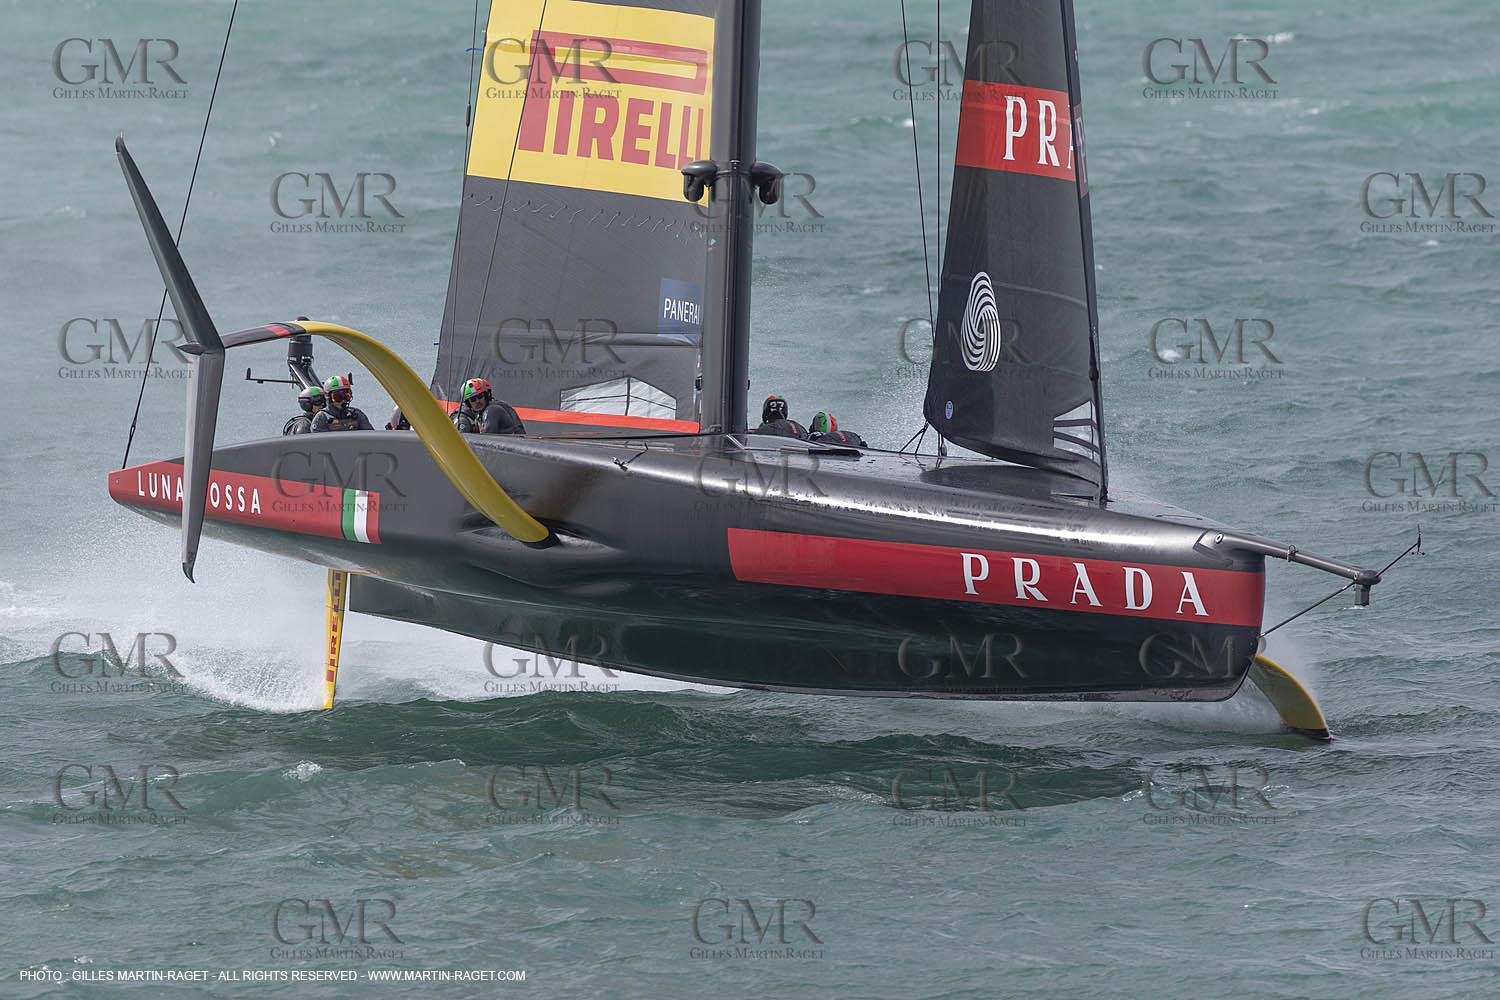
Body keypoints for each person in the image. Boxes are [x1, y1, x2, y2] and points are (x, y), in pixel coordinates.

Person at [452, 377, 526, 435]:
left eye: (480, 396)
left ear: (487, 396)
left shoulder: (492, 410)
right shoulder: (480, 413)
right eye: (473, 399)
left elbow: (486, 439)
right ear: (468, 403)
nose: (478, 401)